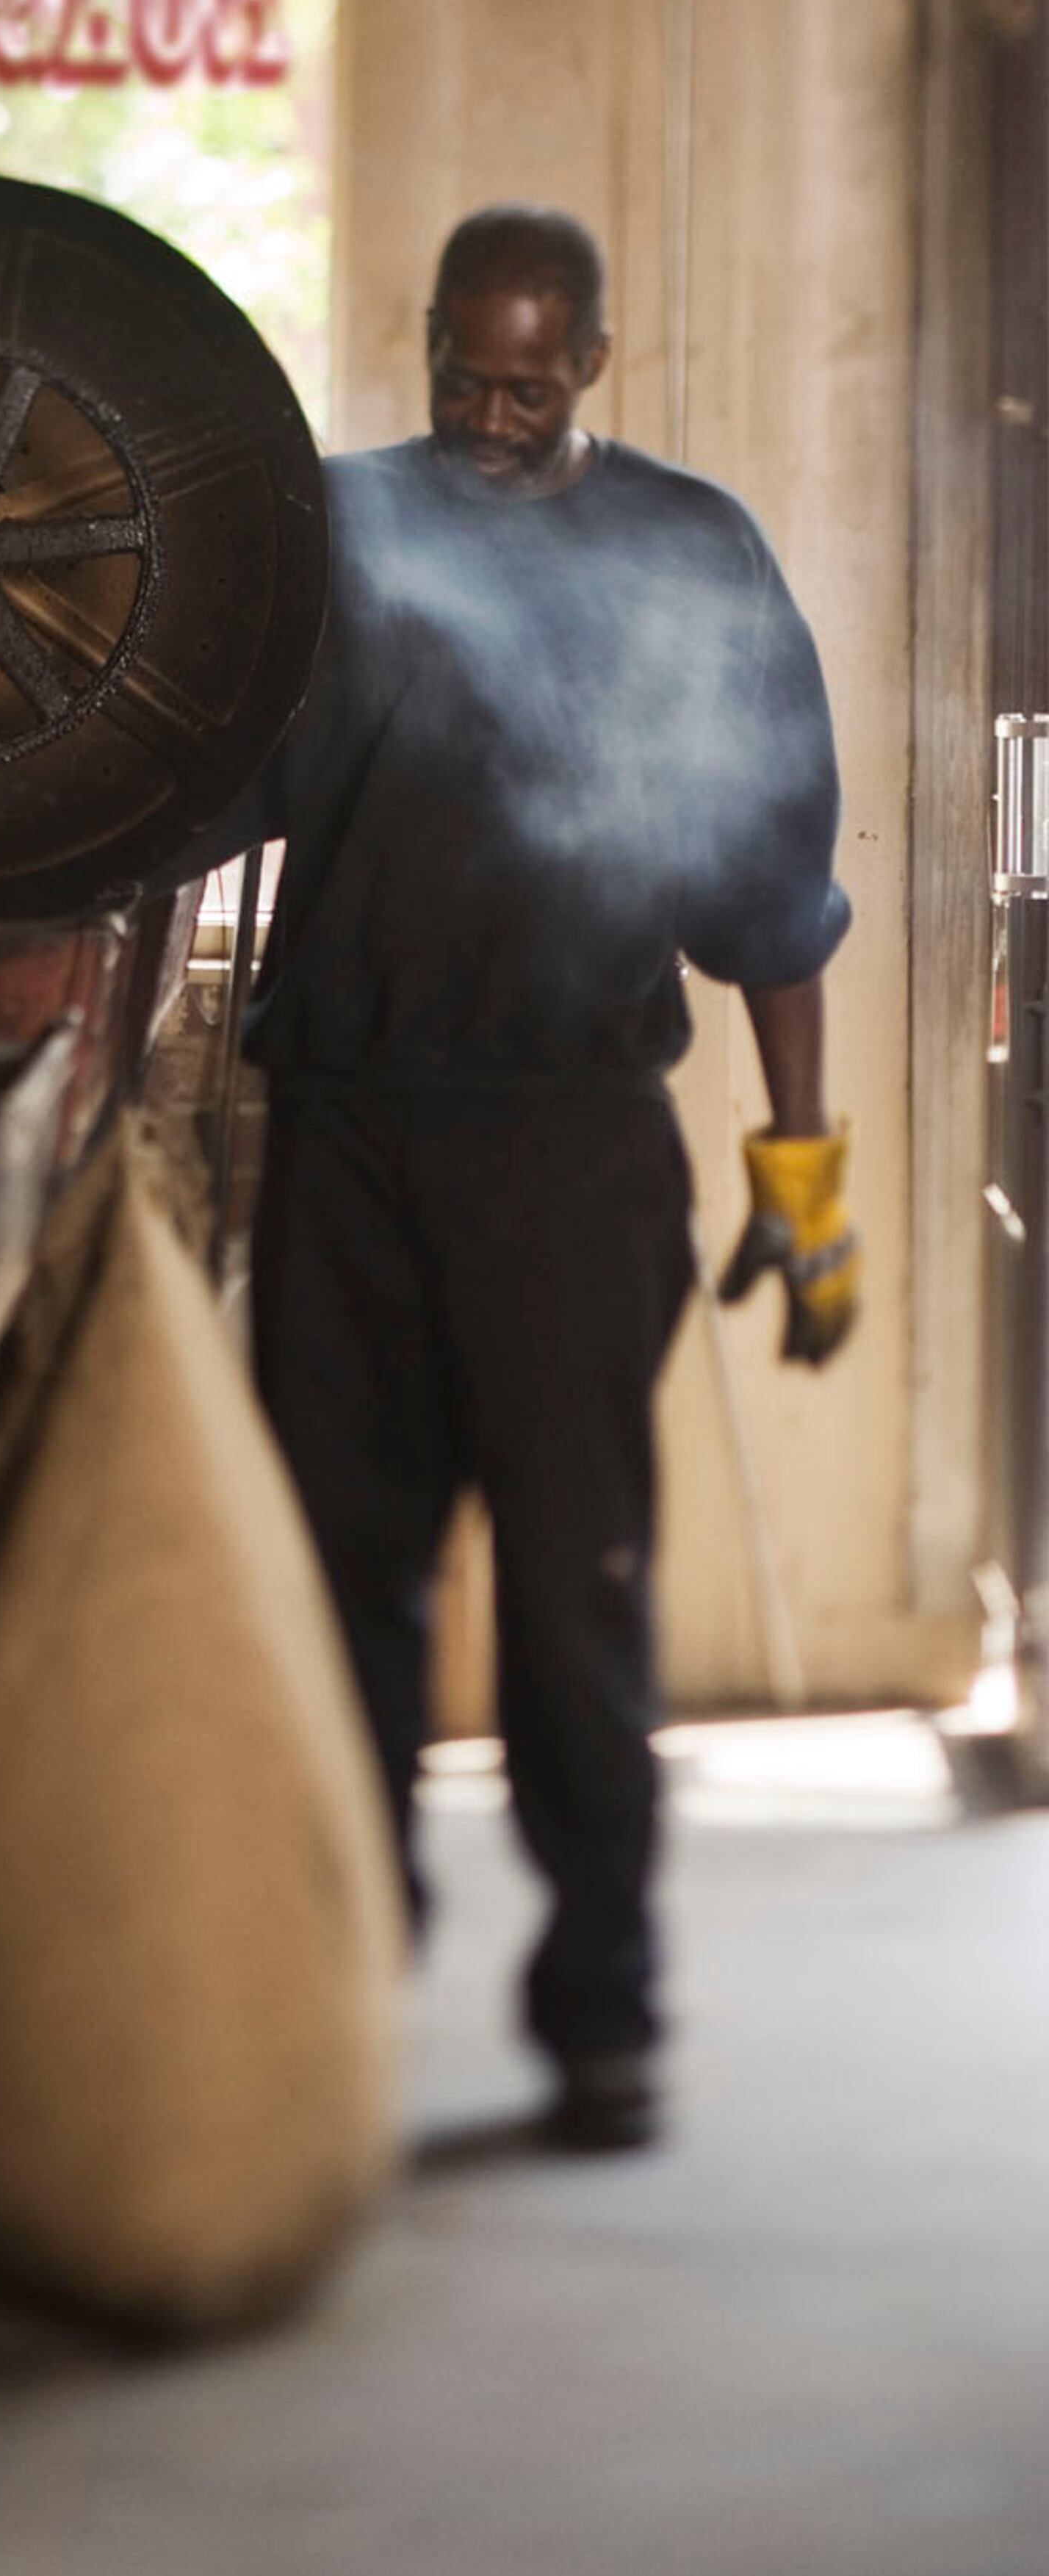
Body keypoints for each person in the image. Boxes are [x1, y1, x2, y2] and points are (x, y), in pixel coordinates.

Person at [239, 205, 856, 2152]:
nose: (493, 419)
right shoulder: (334, 538)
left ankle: (603, 2011)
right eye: (464, 378)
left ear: (593, 358)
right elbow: (188, 787)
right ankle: (339, 1982)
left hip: (571, 1150)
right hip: (344, 1136)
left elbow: (775, 895)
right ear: (428, 340)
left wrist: (804, 1172)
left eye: (530, 384)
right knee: (342, 1585)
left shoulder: (688, 554)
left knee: (579, 1595)